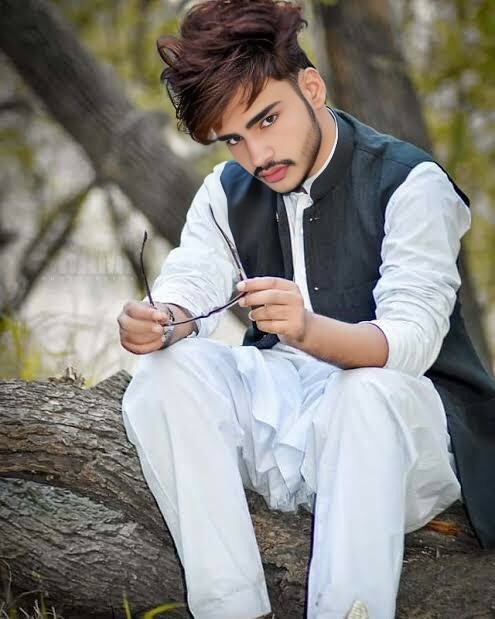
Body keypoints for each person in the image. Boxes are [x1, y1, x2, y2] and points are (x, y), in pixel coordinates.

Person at [118, 1, 495, 617]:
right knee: (165, 373)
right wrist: (162, 320)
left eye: (267, 119)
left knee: (363, 393)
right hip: (289, 421)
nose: (257, 154)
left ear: (311, 88)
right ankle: (232, 608)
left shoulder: (411, 182)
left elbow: (412, 340)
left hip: (406, 436)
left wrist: (310, 330)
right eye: (234, 139)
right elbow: (192, 281)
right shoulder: (224, 191)